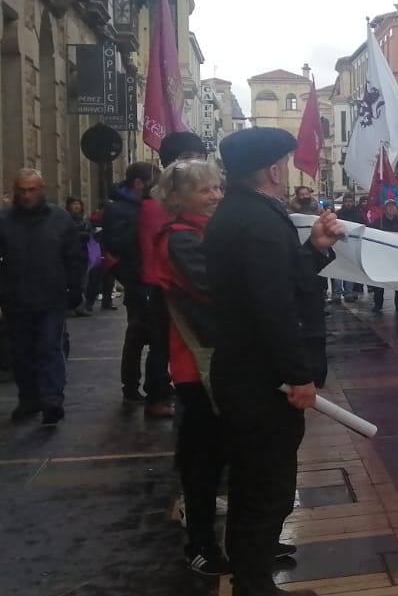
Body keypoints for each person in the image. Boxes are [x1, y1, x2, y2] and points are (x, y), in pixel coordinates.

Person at [206, 128, 342, 596]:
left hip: (245, 375)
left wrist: (314, 249)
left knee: (251, 484)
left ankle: (250, 579)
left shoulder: (243, 213)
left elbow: (277, 284)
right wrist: (297, 375)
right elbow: (274, 307)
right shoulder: (258, 220)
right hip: (262, 382)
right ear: (272, 169)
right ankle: (255, 586)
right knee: (269, 489)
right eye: (284, 161)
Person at [149, 159, 230, 576]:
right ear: (177, 198)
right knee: (204, 461)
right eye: (204, 190)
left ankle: (233, 542)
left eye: (217, 187)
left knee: (219, 458)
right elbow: (211, 290)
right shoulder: (180, 238)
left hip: (210, 362)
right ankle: (199, 545)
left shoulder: (201, 232)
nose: (215, 196)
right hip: (196, 366)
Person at [1, 169, 88, 426]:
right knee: (22, 352)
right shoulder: (5, 222)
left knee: (49, 348)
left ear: (42, 189)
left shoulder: (60, 220)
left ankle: (52, 399)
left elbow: (75, 258)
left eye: (31, 189)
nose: (26, 195)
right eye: (22, 190)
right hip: (16, 300)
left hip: (51, 298)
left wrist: (75, 289)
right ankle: (29, 399)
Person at [101, 160, 177, 416]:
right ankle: (132, 387)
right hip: (138, 282)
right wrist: (142, 225)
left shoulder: (145, 207)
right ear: (139, 183)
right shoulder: (120, 210)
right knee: (138, 336)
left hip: (150, 280)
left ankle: (156, 386)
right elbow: (114, 246)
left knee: (154, 338)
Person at [370, 201, 398, 313]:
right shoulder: (378, 223)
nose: (392, 208)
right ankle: (378, 303)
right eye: (389, 206)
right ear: (385, 209)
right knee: (379, 282)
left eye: (394, 206)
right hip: (382, 257)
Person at [64, 198, 93, 317]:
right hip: (71, 256)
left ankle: (80, 306)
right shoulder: (66, 220)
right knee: (72, 283)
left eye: (78, 204)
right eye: (73, 204)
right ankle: (69, 306)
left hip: (84, 255)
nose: (76, 207)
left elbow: (90, 235)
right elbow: (69, 235)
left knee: (83, 283)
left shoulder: (85, 221)